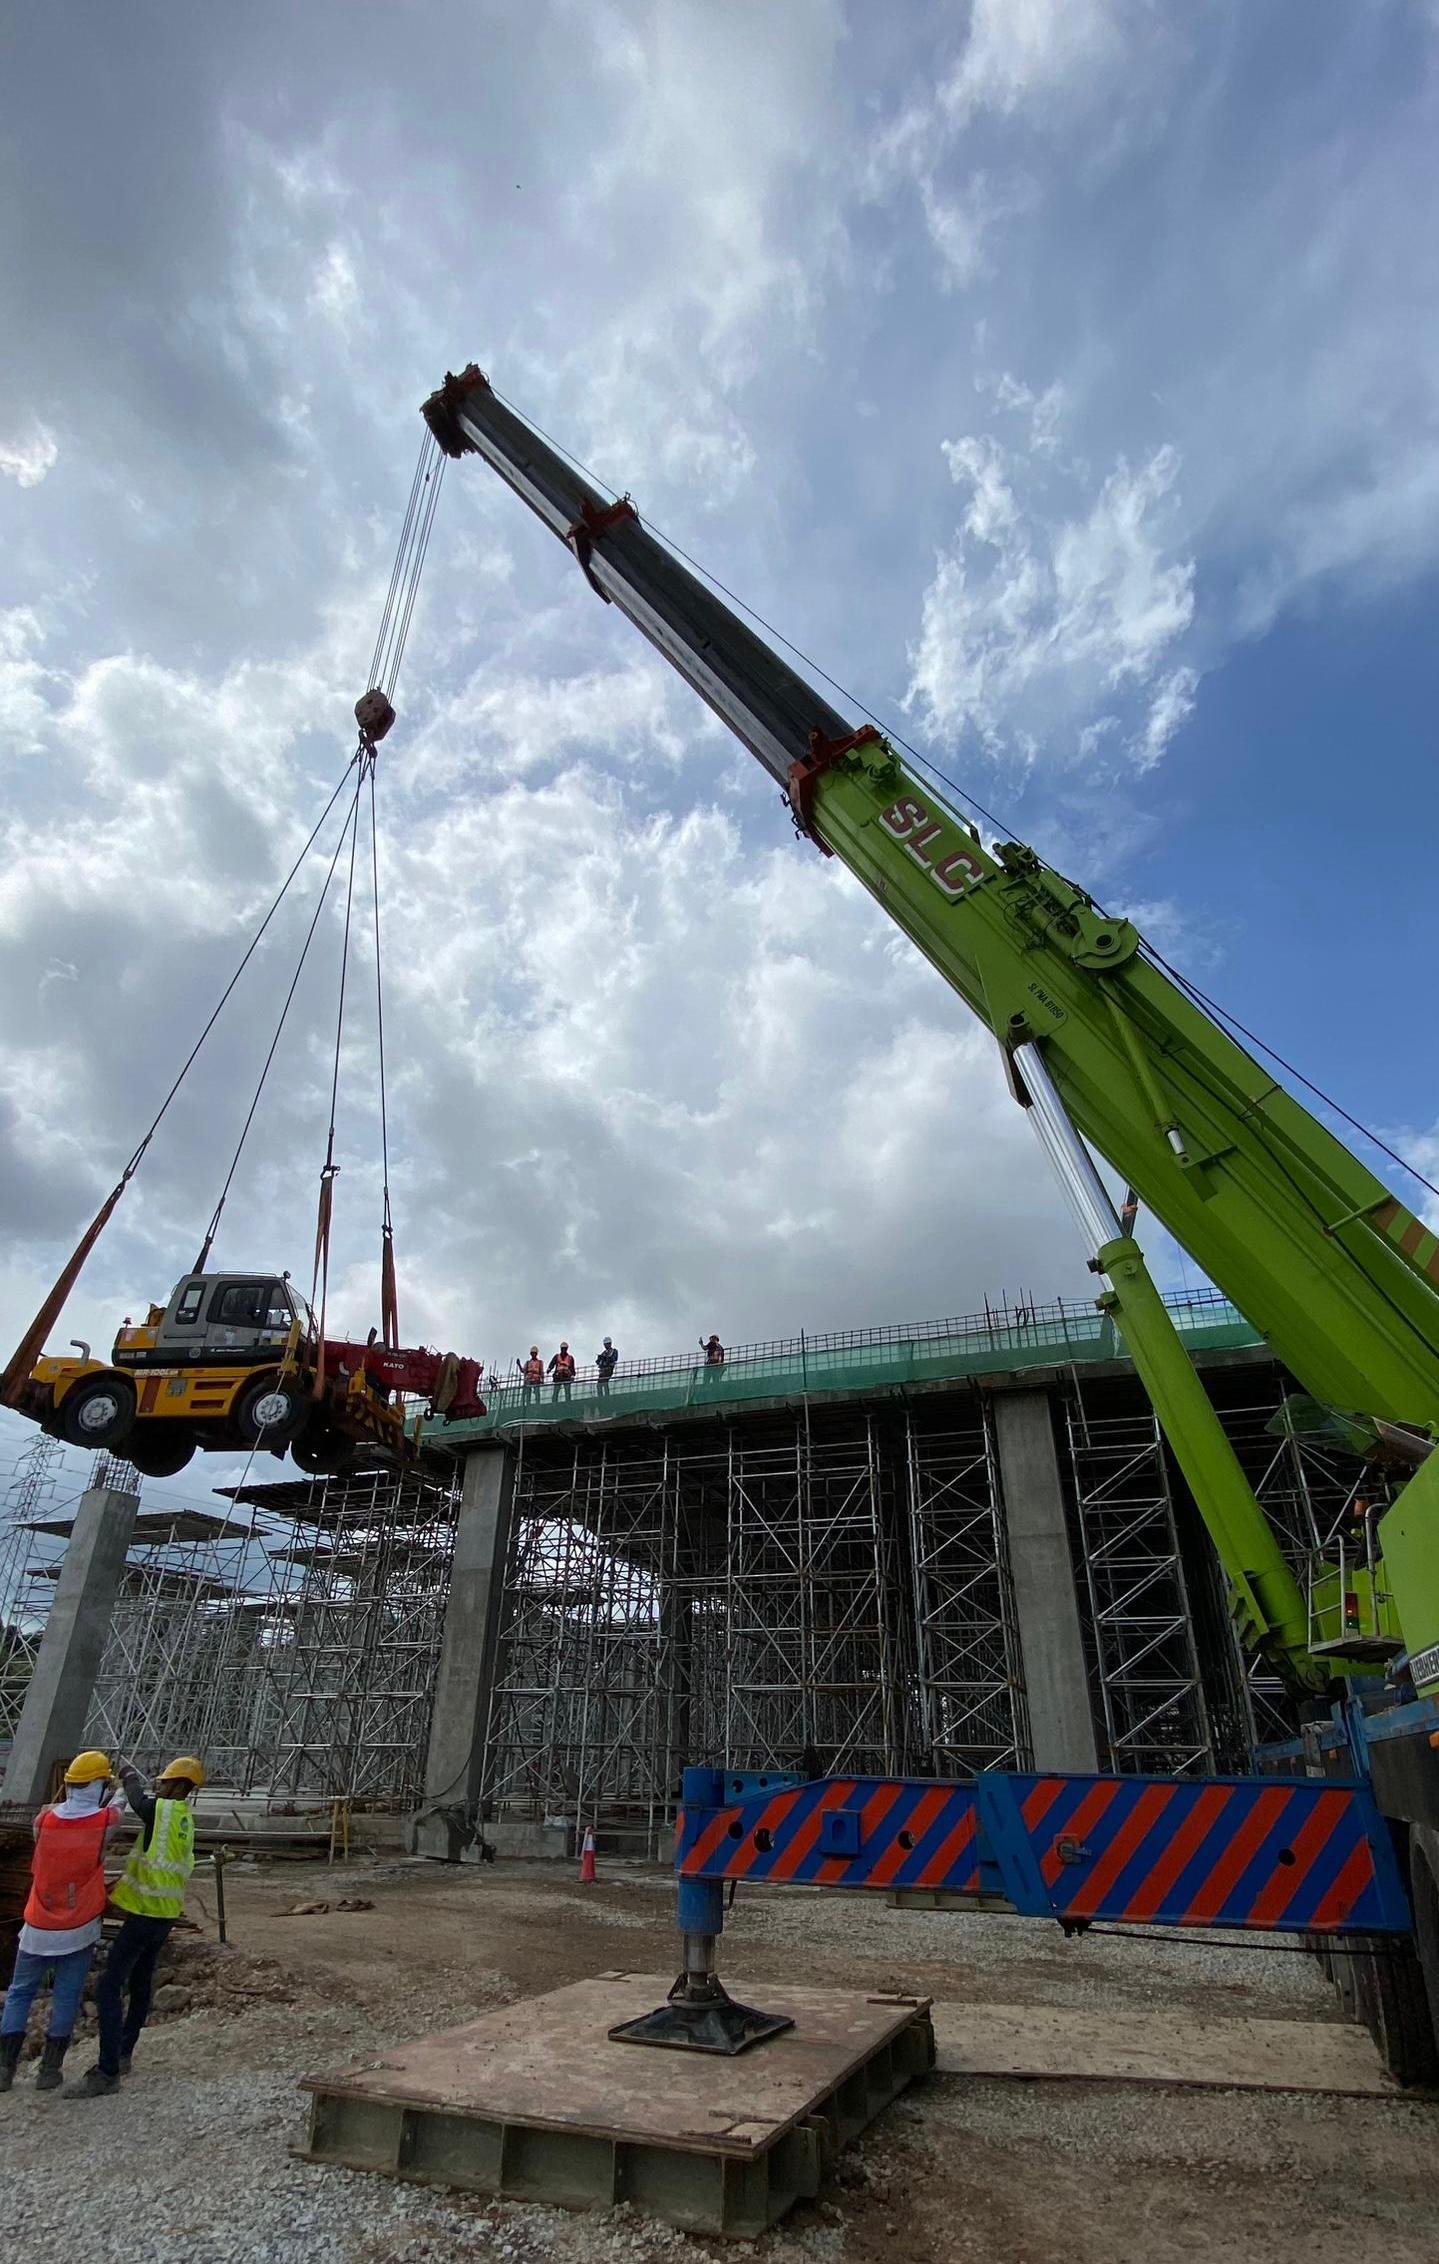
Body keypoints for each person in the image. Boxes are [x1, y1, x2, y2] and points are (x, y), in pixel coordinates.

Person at [67, 1753, 204, 2100]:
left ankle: (108, 2071)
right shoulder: (184, 1818)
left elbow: (140, 1802)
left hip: (146, 1914)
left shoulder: (165, 1811)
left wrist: (127, 1776)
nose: (160, 1785)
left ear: (176, 1785)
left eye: (165, 1781)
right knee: (141, 1982)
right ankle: (125, 2053)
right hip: (165, 1914)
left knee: (108, 1986)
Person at [0, 1750, 124, 2094]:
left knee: (19, 1993)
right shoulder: (104, 1822)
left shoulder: (43, 1822)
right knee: (66, 1996)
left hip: (37, 1923)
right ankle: (50, 2071)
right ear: (99, 1785)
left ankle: (4, 2068)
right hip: (79, 1926)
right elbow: (120, 1807)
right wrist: (123, 1785)